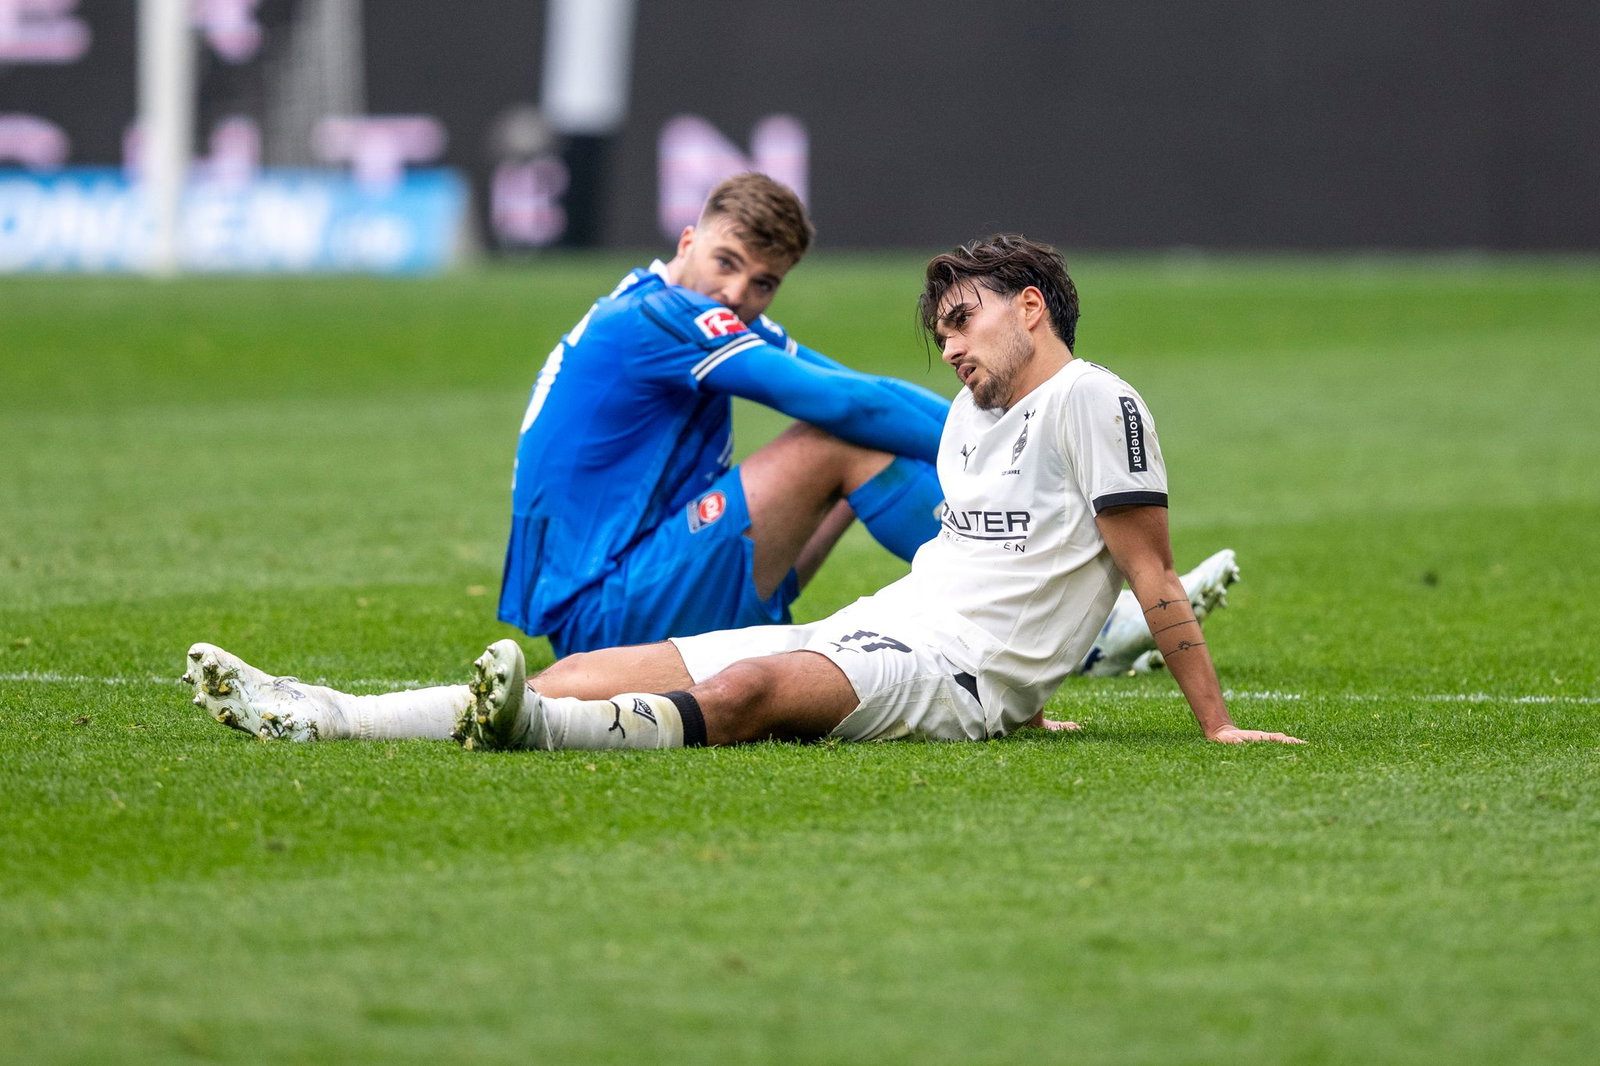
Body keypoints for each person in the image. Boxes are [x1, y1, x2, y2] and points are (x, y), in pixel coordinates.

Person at [185, 235, 1300, 748]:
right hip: (885, 624)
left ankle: (529, 733)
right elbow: (990, 559)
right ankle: (327, 713)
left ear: (1031, 307)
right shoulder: (969, 421)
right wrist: (1044, 672)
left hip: (947, 674)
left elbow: (1146, 568)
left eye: (962, 321)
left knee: (758, 687)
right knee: (583, 671)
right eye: (940, 330)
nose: (947, 347)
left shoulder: (1099, 401)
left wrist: (1218, 726)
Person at [497, 170, 1236, 677]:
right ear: (688, 242)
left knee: (857, 439)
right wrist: (1010, 444)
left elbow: (853, 386)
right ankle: (1075, 633)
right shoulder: (662, 319)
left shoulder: (683, 310)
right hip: (610, 611)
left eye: (763, 282)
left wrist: (1013, 424)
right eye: (725, 263)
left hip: (642, 578)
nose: (740, 292)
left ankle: (1038, 620)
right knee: (838, 440)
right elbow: (850, 410)